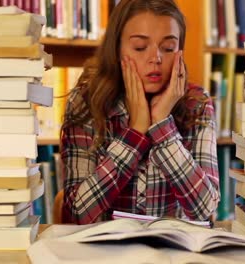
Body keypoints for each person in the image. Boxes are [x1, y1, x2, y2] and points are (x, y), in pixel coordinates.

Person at [60, 0, 219, 225]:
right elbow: (76, 214)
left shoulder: (197, 102)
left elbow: (205, 209)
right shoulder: (86, 101)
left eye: (168, 48)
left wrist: (162, 125)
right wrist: (135, 133)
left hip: (175, 254)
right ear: (116, 50)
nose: (156, 58)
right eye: (140, 47)